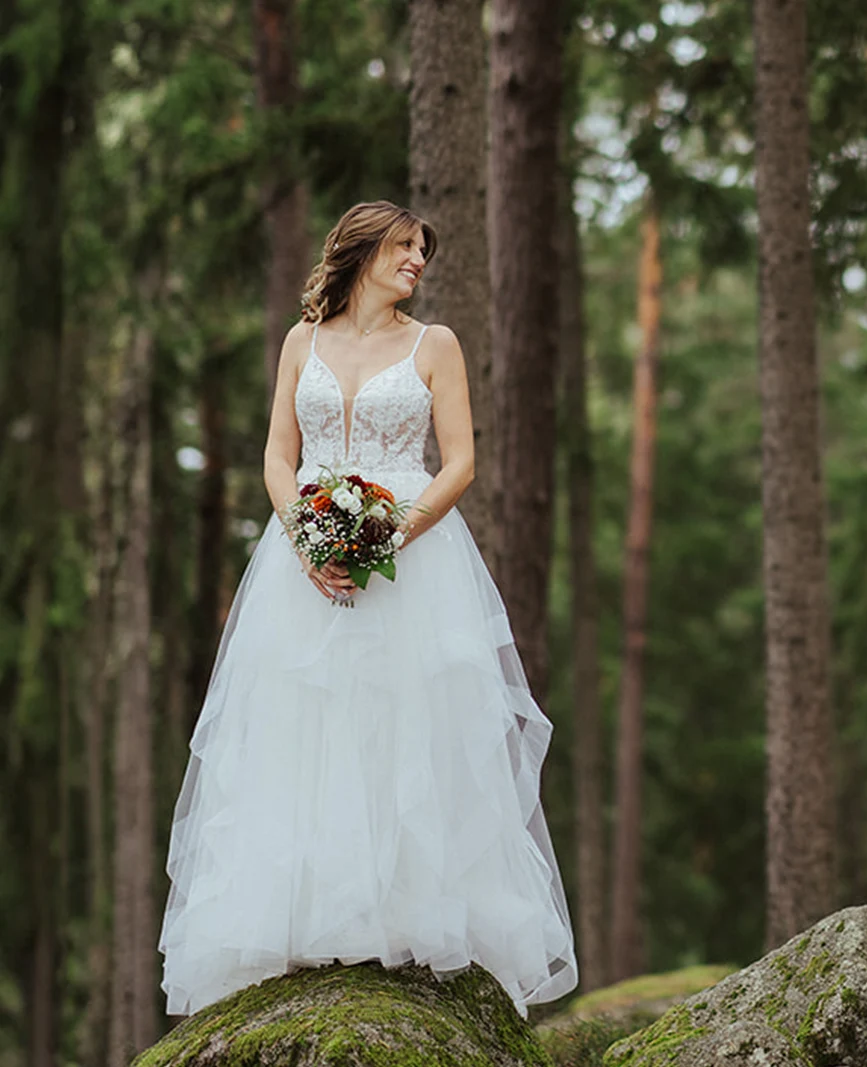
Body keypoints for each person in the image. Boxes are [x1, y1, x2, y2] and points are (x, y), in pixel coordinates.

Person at [157, 201, 578, 1015]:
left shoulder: (435, 345)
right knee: (299, 728)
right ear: (359, 252)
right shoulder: (299, 343)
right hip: (301, 553)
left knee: (408, 725)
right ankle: (309, 926)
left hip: (412, 558)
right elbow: (280, 456)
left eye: (422, 250)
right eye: (403, 247)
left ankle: (409, 923)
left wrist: (387, 537)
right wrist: (307, 541)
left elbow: (459, 465)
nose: (417, 260)